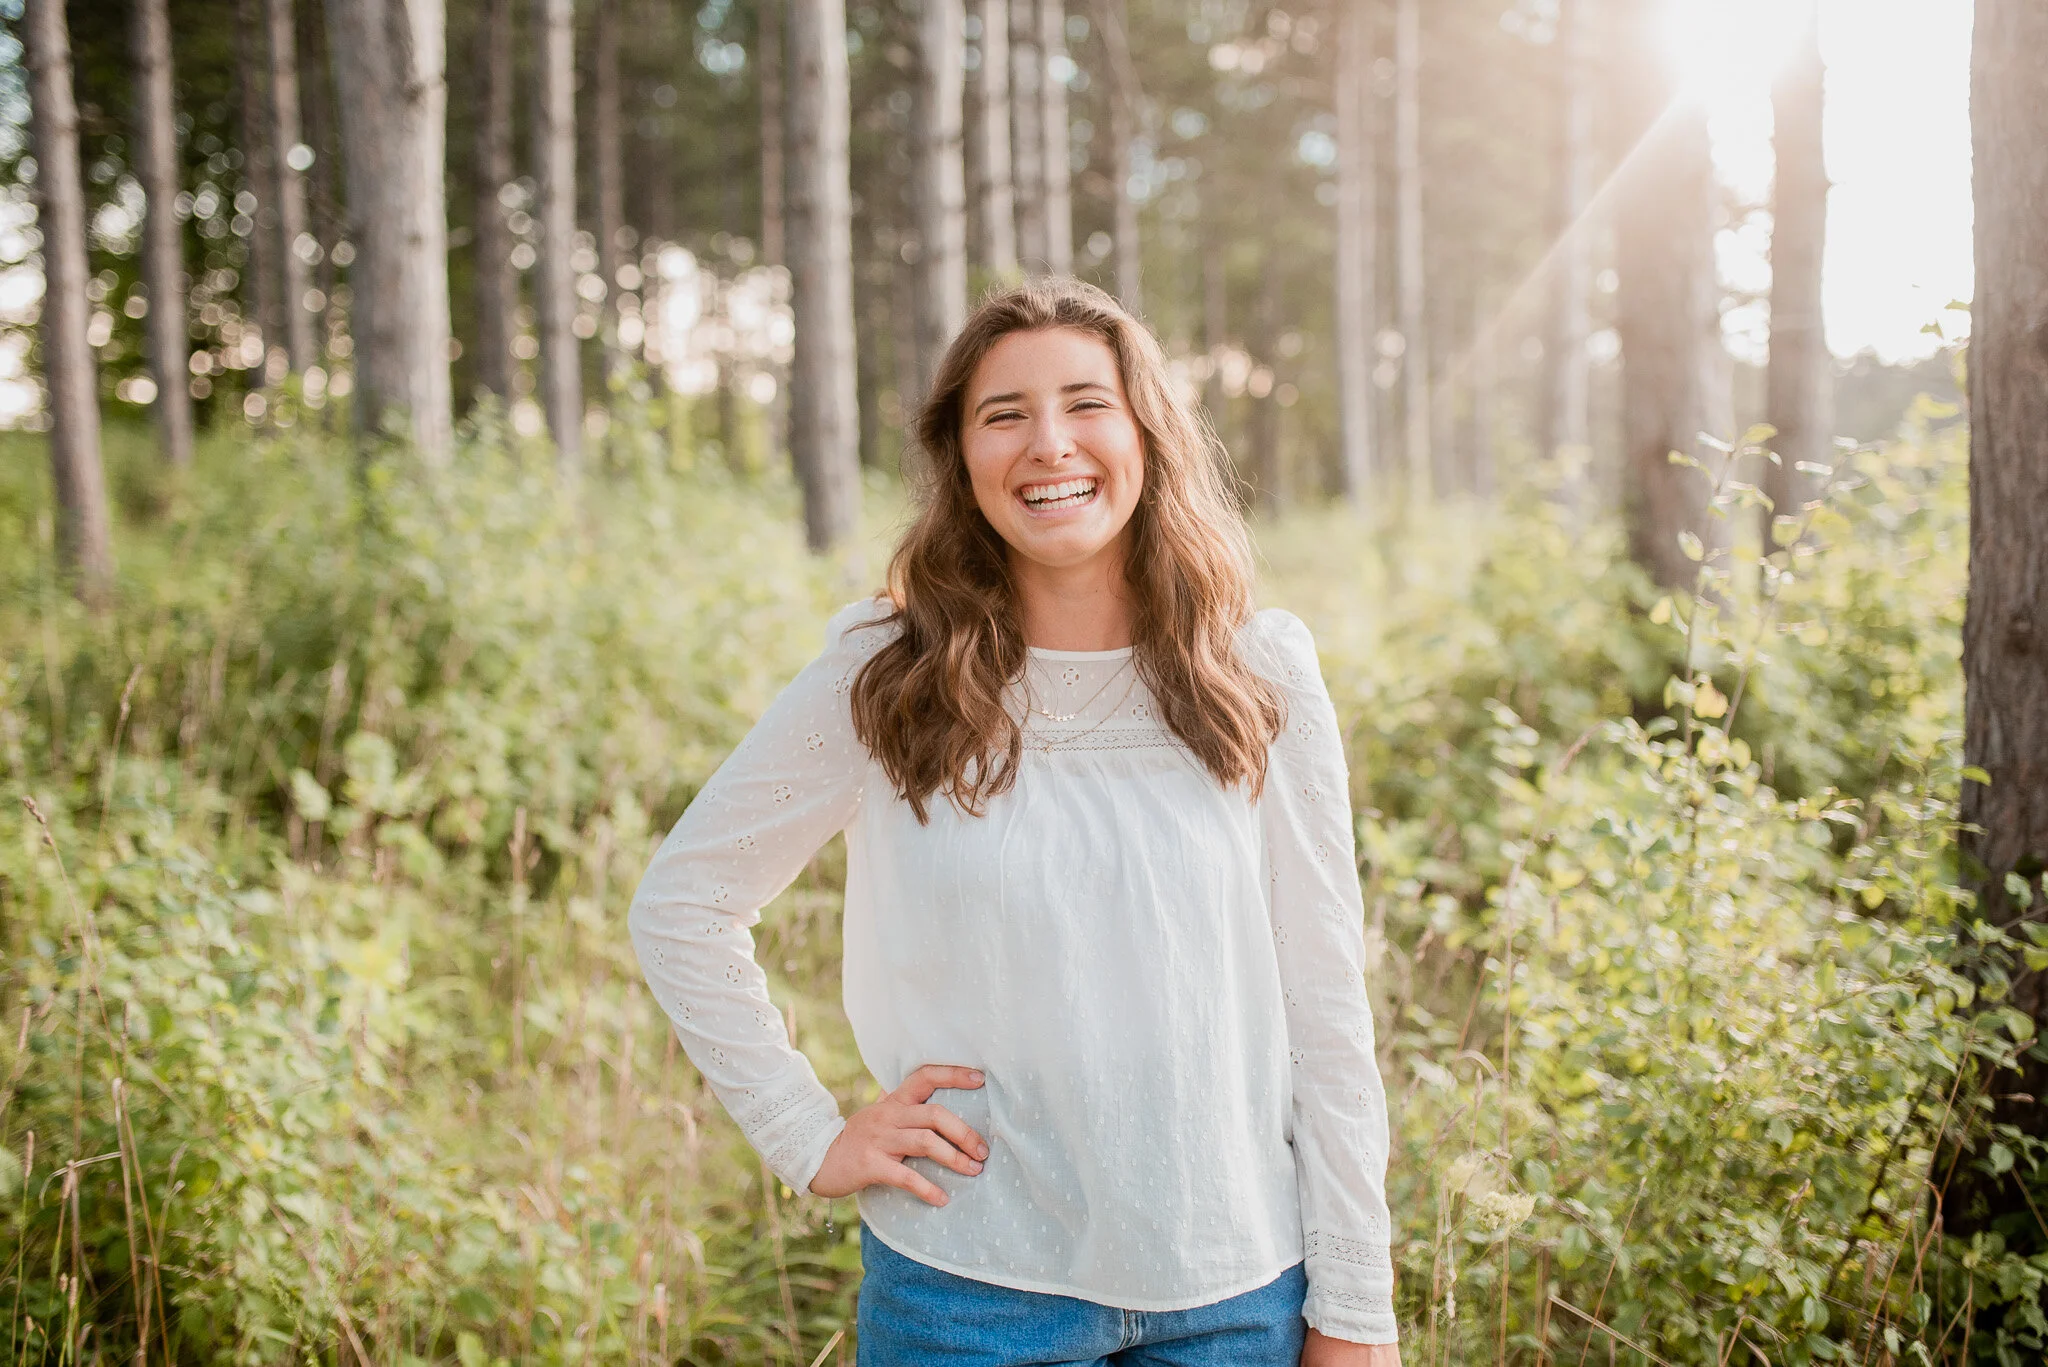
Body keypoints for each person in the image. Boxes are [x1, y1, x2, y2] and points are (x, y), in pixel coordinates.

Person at [629, 278, 1400, 1366]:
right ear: (960, 456)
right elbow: (683, 904)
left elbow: (1325, 1004)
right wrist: (806, 1132)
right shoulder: (882, 671)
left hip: (1235, 1292)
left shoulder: (1257, 669)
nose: (1049, 444)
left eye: (1086, 403)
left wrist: (1356, 1306)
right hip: (967, 1296)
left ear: (1146, 432)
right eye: (1004, 414)